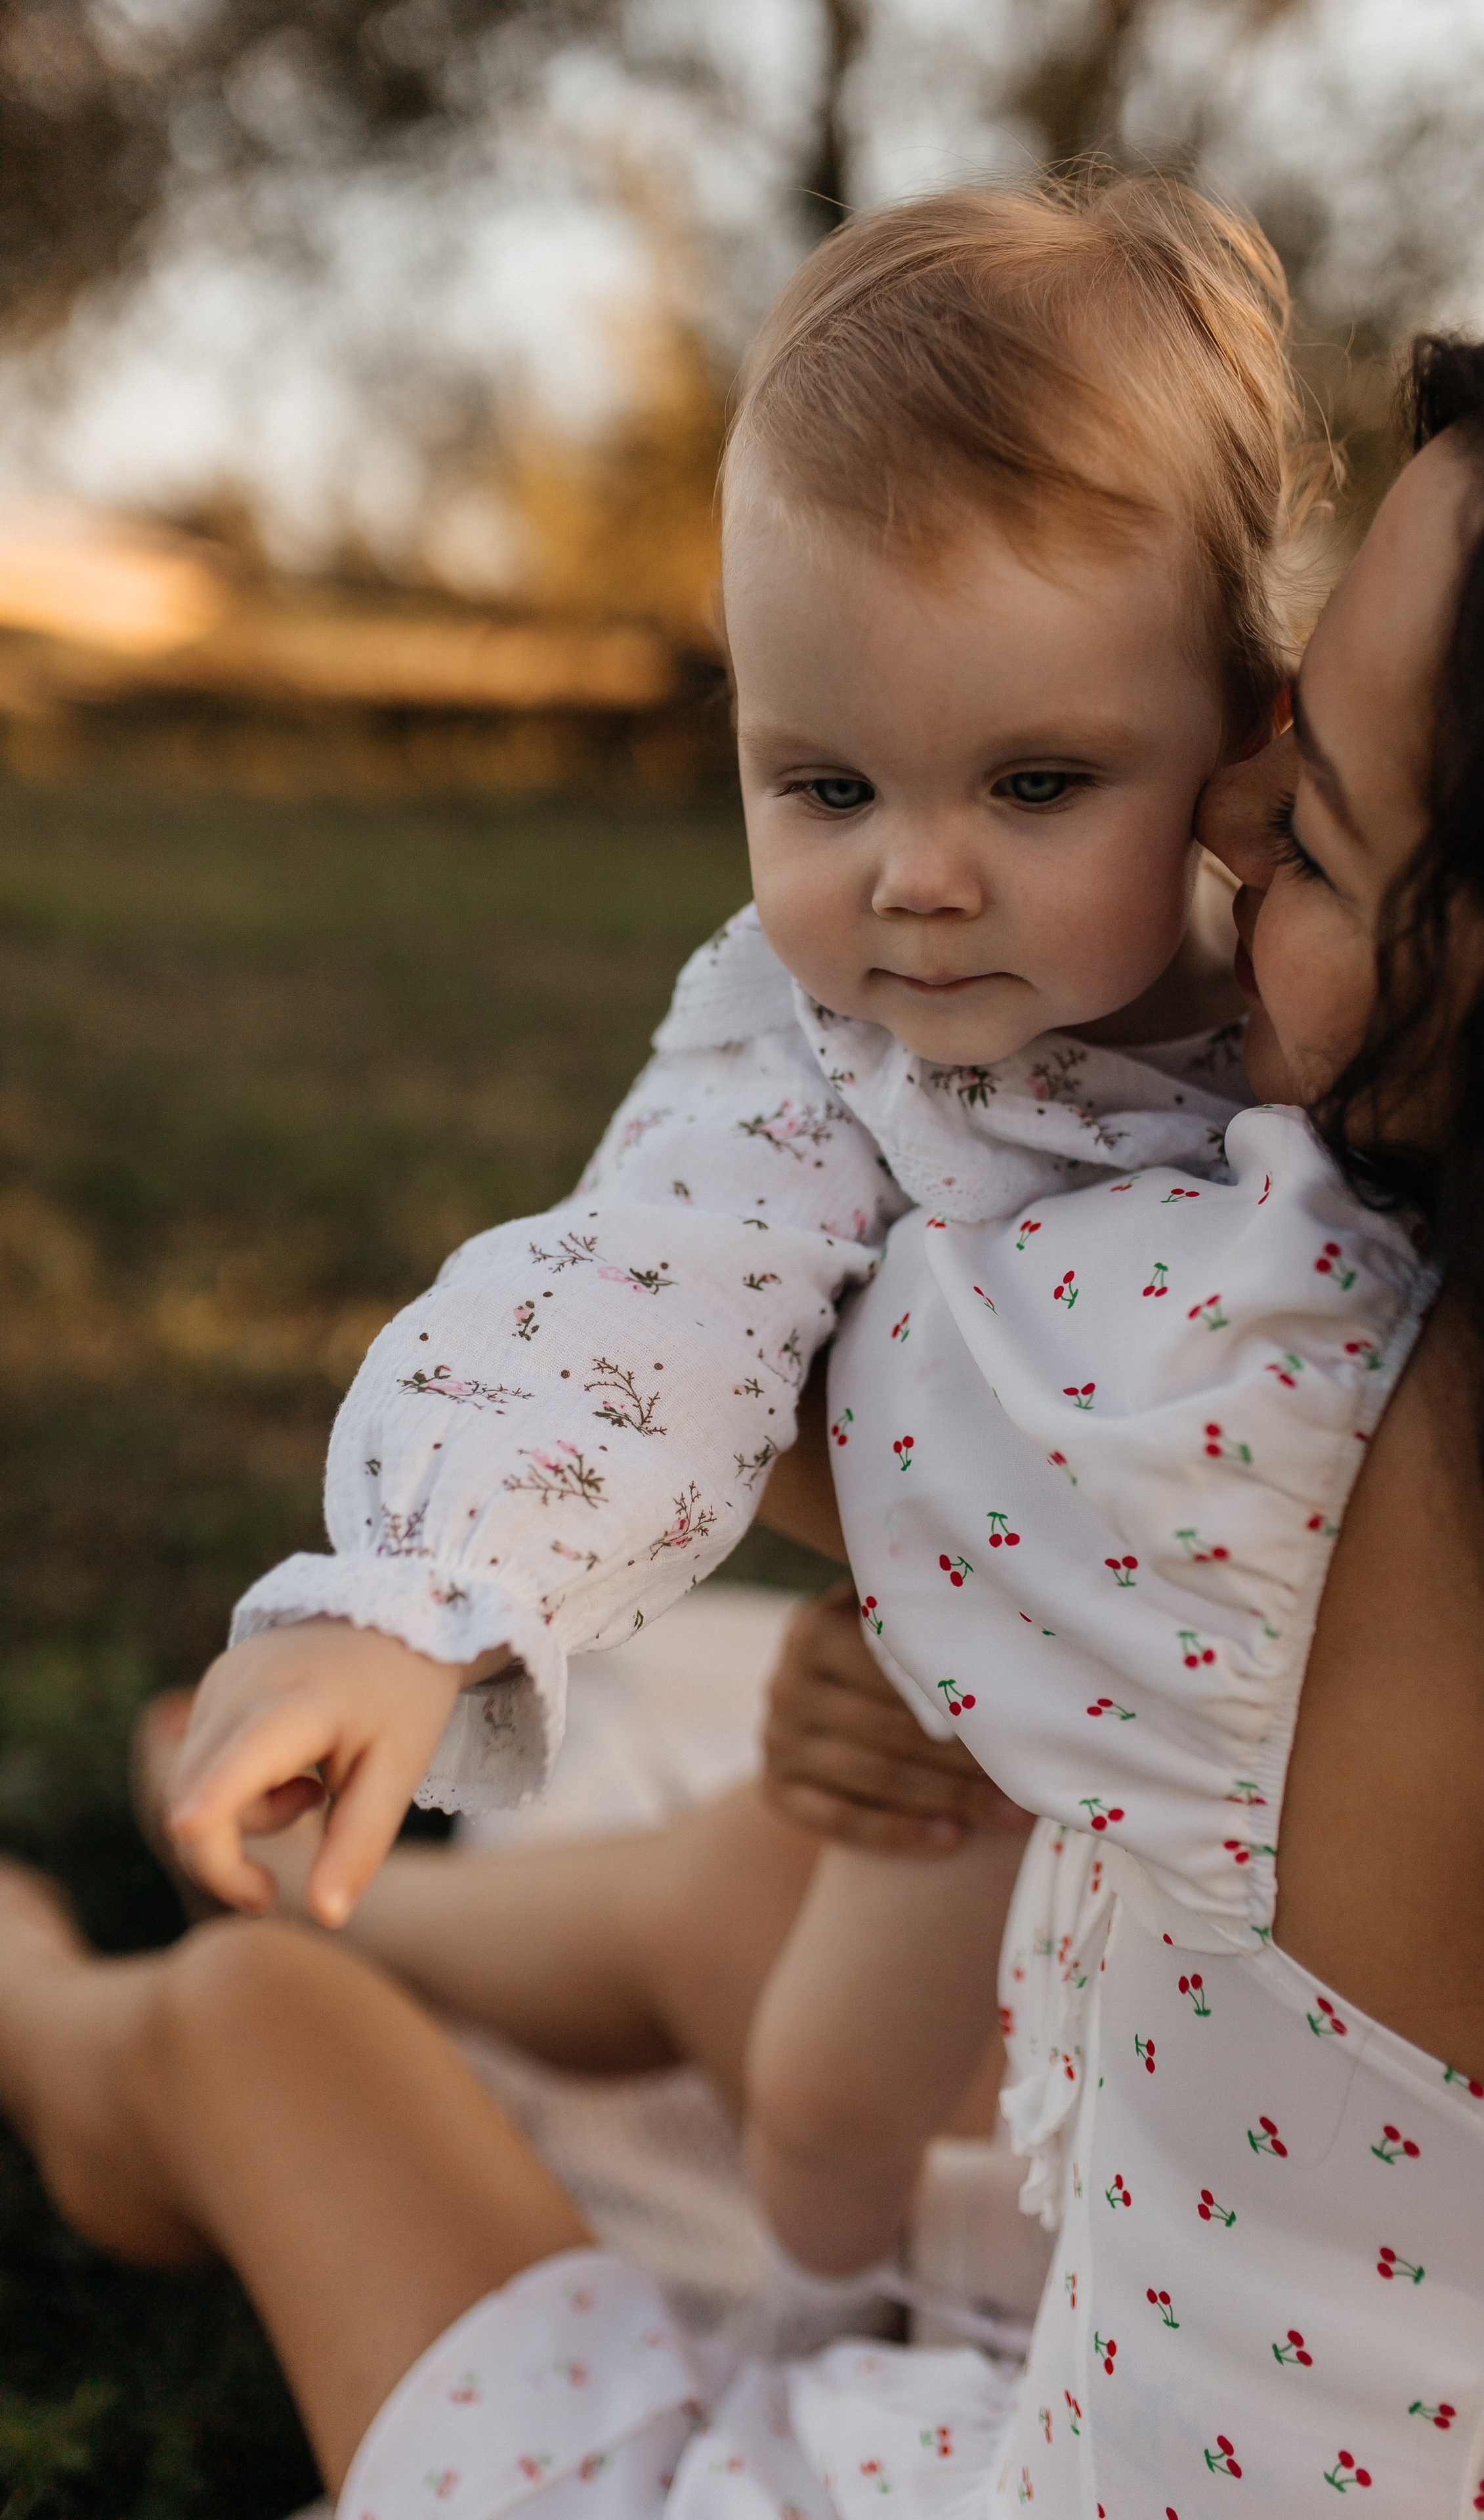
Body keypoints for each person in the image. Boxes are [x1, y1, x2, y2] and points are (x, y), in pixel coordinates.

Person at [1, 271, 1484, 2520]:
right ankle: (350, 1883)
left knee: (261, 2035)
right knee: (783, 1839)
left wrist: (418, 1585)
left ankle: (52, 1986)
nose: (1232, 819)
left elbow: (670, 1304)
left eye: (1317, 822)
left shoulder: (1238, 1415)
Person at [158, 170, 1317, 1929]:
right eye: (829, 787)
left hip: (1263, 1786)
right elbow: (643, 1283)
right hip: (967, 1762)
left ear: (1246, 741)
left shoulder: (1346, 1001)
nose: (919, 881)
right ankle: (307, 1950)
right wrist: (416, 1598)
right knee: (828, 2078)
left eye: (1036, 784)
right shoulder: (829, 1050)